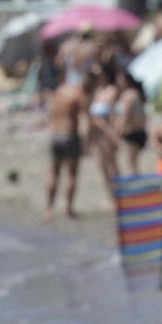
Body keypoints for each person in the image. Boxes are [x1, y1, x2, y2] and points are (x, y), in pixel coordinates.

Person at [44, 71, 90, 221]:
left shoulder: (59, 91)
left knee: (54, 173)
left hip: (56, 135)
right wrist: (86, 142)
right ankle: (68, 210)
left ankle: (49, 209)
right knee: (71, 174)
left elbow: (50, 113)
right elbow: (84, 119)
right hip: (70, 136)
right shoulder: (78, 94)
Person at [86, 65, 121, 198]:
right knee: (102, 165)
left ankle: (119, 193)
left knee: (112, 163)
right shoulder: (96, 92)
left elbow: (114, 115)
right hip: (97, 134)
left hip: (107, 132)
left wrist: (113, 133)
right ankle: (110, 195)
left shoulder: (111, 91)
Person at [114, 72, 149, 176]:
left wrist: (118, 133)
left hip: (131, 132)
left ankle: (136, 189)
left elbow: (125, 115)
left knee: (131, 165)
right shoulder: (130, 94)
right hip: (134, 132)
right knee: (132, 164)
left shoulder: (130, 95)